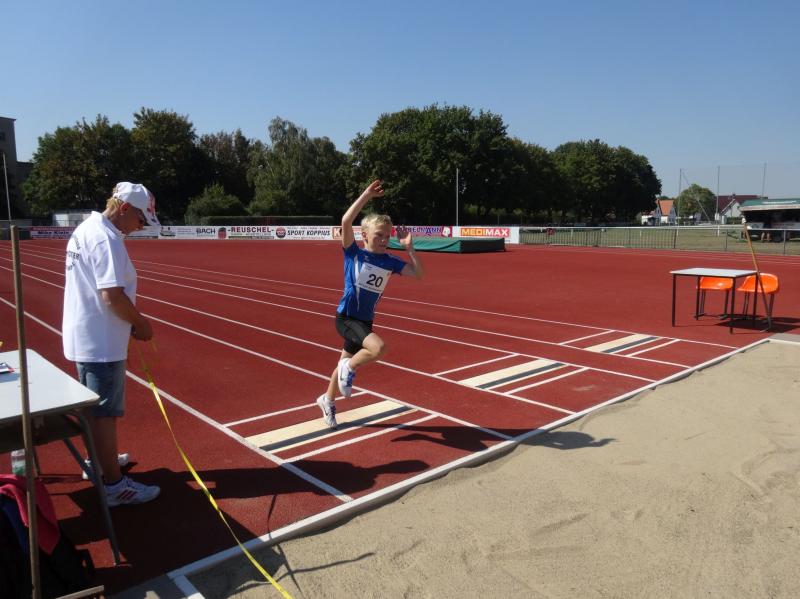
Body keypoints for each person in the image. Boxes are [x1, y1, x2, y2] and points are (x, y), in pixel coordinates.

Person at [62, 182, 161, 506]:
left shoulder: (87, 229)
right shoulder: (106, 239)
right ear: (124, 208)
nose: (140, 227)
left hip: (89, 335)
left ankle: (99, 462)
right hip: (100, 342)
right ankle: (115, 487)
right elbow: (112, 296)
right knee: (104, 413)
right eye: (141, 220)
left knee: (94, 410)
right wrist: (140, 323)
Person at [316, 180, 424, 428]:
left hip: (365, 320)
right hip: (346, 318)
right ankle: (349, 367)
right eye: (379, 235)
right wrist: (366, 195)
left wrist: (410, 249)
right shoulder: (353, 253)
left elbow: (418, 274)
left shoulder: (390, 261)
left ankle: (327, 399)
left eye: (387, 236)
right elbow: (346, 221)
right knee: (379, 348)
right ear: (364, 235)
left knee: (342, 364)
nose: (384, 239)